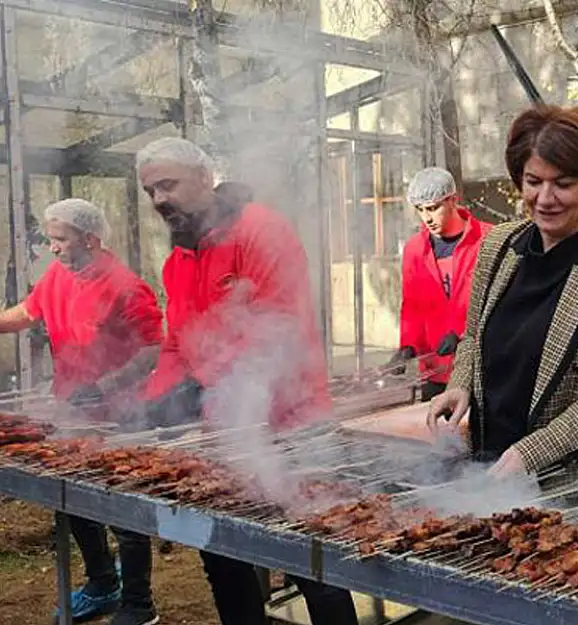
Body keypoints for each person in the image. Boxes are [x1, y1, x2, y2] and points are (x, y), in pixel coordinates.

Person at [134, 137, 359, 625]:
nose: (159, 200)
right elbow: (178, 344)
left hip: (291, 429)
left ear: (203, 178)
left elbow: (280, 331)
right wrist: (157, 399)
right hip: (225, 435)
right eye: (150, 190)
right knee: (222, 555)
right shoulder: (177, 262)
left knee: (312, 562)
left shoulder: (262, 231)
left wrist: (203, 387)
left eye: (168, 185)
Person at [426, 105, 578, 478]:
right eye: (533, 181)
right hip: (489, 460)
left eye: (564, 184)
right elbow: (474, 336)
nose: (544, 198)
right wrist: (460, 386)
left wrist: (533, 451)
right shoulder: (499, 247)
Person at [0, 199, 164, 625]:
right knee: (72, 498)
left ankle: (139, 605)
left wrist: (105, 386)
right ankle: (102, 583)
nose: (52, 248)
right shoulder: (58, 275)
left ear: (90, 239)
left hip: (119, 413)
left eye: (60, 240)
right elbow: (27, 312)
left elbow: (152, 348)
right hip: (70, 408)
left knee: (123, 510)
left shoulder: (126, 285)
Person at [389, 167, 492, 401]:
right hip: (435, 371)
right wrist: (408, 346)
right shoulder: (415, 249)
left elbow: (499, 304)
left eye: (433, 208)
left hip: (478, 370)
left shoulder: (487, 240)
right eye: (420, 210)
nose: (427, 218)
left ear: (453, 200)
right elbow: (411, 305)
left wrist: (465, 337)